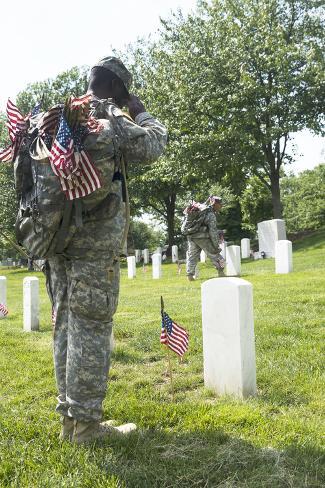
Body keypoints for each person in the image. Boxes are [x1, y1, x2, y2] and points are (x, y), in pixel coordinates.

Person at [44, 57, 168, 443]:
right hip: (92, 247)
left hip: (55, 244)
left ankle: (71, 419)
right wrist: (140, 109)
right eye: (124, 90)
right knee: (92, 327)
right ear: (116, 87)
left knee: (65, 325)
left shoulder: (57, 118)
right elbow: (154, 144)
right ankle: (86, 427)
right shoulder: (106, 118)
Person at [185, 196, 225, 281]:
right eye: (220, 204)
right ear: (215, 204)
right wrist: (216, 245)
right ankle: (221, 272)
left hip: (191, 236)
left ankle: (190, 276)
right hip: (202, 238)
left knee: (192, 256)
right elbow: (213, 232)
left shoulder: (200, 211)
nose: (221, 206)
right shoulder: (210, 214)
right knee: (215, 254)